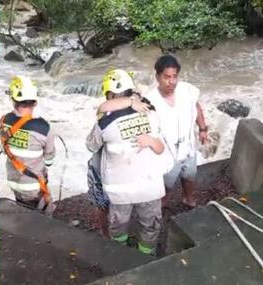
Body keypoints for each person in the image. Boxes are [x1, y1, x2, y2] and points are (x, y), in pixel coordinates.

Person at [86, 68, 166, 255]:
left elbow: (91, 146)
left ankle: (120, 256)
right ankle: (146, 256)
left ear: (110, 94)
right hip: (150, 188)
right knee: (150, 227)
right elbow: (160, 147)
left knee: (119, 228)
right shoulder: (150, 111)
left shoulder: (104, 124)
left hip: (119, 192)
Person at [145, 54, 208, 207]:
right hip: (166, 151)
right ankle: (162, 205)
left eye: (175, 76)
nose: (171, 82)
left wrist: (202, 129)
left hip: (188, 144)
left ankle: (189, 199)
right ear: (157, 76)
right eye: (167, 77)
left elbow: (197, 108)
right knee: (166, 183)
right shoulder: (150, 100)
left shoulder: (187, 91)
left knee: (190, 175)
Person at [0, 75, 56, 214]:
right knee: (43, 216)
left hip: (13, 182)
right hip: (34, 186)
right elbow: (49, 160)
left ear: (13, 100)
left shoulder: (4, 121)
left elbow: (2, 148)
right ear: (35, 102)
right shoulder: (43, 128)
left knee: (23, 210)